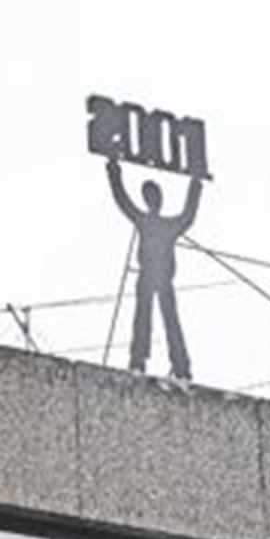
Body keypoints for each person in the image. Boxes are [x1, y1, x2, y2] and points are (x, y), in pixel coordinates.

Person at [106, 156, 203, 380]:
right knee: (144, 319)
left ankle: (178, 365)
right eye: (151, 197)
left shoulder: (162, 224)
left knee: (165, 320)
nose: (153, 201)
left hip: (160, 278)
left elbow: (188, 215)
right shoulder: (148, 222)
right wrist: (113, 170)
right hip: (149, 276)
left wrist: (196, 184)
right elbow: (122, 200)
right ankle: (143, 361)